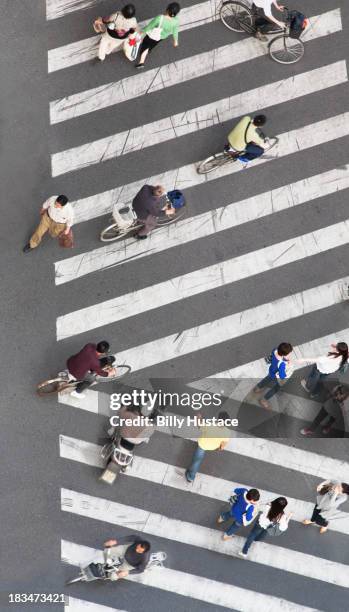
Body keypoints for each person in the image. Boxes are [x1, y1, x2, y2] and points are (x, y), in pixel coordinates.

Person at [185, 414, 230, 482]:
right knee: (198, 459)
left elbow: (199, 426)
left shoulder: (210, 425)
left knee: (197, 460)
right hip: (212, 447)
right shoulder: (227, 432)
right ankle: (191, 476)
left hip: (203, 444)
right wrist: (219, 448)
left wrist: (198, 418)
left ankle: (191, 476)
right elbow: (223, 445)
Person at [136, 3, 180, 68]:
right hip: (161, 37)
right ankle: (149, 49)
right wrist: (175, 41)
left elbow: (150, 26)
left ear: (167, 9)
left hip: (152, 35)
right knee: (153, 44)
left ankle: (141, 62)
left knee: (145, 45)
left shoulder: (159, 18)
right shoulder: (176, 21)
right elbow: (175, 30)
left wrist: (141, 31)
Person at [253, 342, 293, 409]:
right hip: (276, 377)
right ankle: (263, 400)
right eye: (289, 353)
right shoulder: (282, 363)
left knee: (267, 378)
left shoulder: (275, 350)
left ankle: (257, 388)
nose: (290, 354)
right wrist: (288, 364)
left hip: (271, 370)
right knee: (276, 388)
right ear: (284, 354)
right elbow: (282, 375)